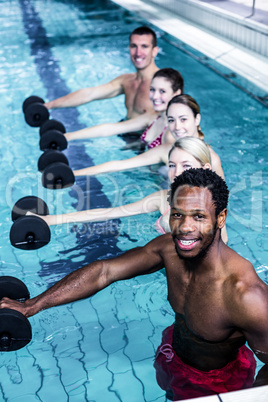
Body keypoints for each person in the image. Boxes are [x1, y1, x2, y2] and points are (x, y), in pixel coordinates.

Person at [1, 169, 267, 400]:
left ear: (220, 218)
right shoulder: (169, 250)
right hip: (172, 351)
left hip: (215, 382)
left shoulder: (245, 296)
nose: (185, 227)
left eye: (199, 216)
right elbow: (105, 271)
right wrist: (32, 306)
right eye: (178, 214)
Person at [30, 137, 212, 236]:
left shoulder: (213, 205)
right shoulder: (163, 197)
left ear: (206, 169)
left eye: (186, 165)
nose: (177, 172)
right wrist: (51, 220)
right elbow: (112, 212)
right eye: (172, 165)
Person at [69, 94, 224, 179]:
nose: (177, 127)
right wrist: (73, 174)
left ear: (197, 119)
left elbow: (221, 201)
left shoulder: (211, 159)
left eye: (183, 119)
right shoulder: (167, 150)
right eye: (171, 120)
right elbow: (119, 164)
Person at [45, 26, 159, 119]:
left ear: (154, 51)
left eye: (144, 47)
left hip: (148, 144)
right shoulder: (126, 80)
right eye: (134, 46)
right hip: (128, 136)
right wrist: (48, 106)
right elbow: (88, 94)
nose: (138, 53)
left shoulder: (163, 84)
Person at [62, 68, 184, 147]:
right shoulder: (154, 116)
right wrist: (69, 136)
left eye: (162, 91)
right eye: (152, 90)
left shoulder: (174, 132)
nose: (155, 96)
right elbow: (112, 128)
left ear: (176, 93)